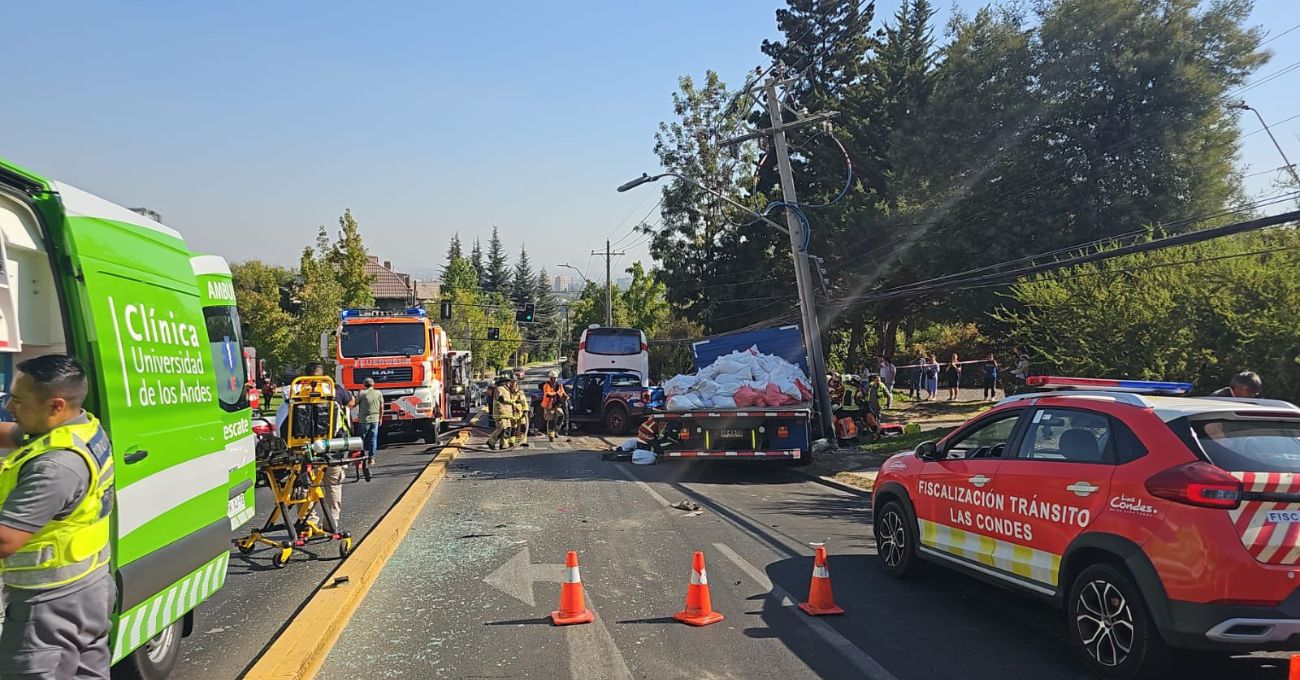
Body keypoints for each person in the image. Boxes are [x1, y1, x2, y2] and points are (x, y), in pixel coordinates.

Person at [0, 355, 115, 679]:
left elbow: (6, 540)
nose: (10, 406)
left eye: (19, 400)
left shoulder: (56, 466)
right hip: (88, 588)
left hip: (49, 602)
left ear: (55, 406)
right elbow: (14, 434)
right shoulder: (81, 428)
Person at [356, 377, 383, 460]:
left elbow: (355, 403)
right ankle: (372, 457)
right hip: (375, 419)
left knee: (362, 438)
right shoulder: (378, 393)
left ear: (364, 384)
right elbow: (381, 406)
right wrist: (380, 418)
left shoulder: (362, 393)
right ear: (373, 384)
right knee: (373, 438)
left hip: (364, 419)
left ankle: (361, 456)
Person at [487, 376, 517, 450]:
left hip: (507, 414)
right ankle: (491, 442)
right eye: (509, 381)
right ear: (505, 382)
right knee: (502, 428)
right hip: (500, 414)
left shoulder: (507, 390)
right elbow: (502, 399)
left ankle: (503, 444)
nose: (510, 383)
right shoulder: (499, 389)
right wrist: (512, 402)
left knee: (507, 429)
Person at [541, 370, 568, 442]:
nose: (554, 379)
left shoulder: (559, 385)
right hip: (548, 405)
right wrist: (556, 393)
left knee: (561, 415)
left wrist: (566, 397)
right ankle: (551, 435)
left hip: (556, 404)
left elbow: (562, 392)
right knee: (551, 419)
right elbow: (547, 393)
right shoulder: (546, 385)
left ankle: (557, 429)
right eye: (553, 378)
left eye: (555, 378)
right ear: (550, 378)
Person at [865, 373, 887, 440]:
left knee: (878, 419)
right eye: (877, 380)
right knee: (871, 418)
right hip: (870, 404)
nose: (878, 382)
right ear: (874, 380)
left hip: (878, 406)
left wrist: (887, 403)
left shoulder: (882, 386)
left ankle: (878, 433)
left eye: (879, 380)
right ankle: (873, 431)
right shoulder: (870, 385)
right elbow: (866, 392)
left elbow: (887, 395)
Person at [512, 373, 531, 448]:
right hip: (511, 413)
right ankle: (511, 442)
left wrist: (525, 409)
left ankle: (523, 441)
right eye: (511, 381)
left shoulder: (519, 391)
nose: (513, 383)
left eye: (514, 381)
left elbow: (524, 401)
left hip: (520, 412)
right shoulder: (506, 391)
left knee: (523, 426)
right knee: (512, 428)